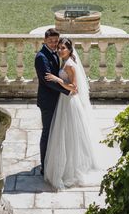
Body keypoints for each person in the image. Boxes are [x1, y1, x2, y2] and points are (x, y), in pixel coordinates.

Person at [43, 37, 104, 190]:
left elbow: (74, 88)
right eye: (59, 48)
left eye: (63, 48)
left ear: (70, 50)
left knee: (70, 133)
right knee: (65, 134)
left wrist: (57, 79)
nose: (60, 50)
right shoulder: (64, 62)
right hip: (63, 101)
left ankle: (73, 167)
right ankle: (64, 163)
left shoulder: (70, 65)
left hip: (70, 102)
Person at [34, 28, 72, 176]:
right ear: (45, 40)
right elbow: (48, 81)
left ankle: (53, 161)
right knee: (47, 133)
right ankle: (44, 166)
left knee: (56, 132)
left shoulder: (56, 54)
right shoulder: (41, 57)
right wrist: (68, 91)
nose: (54, 43)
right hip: (47, 102)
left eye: (56, 41)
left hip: (57, 100)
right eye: (51, 41)